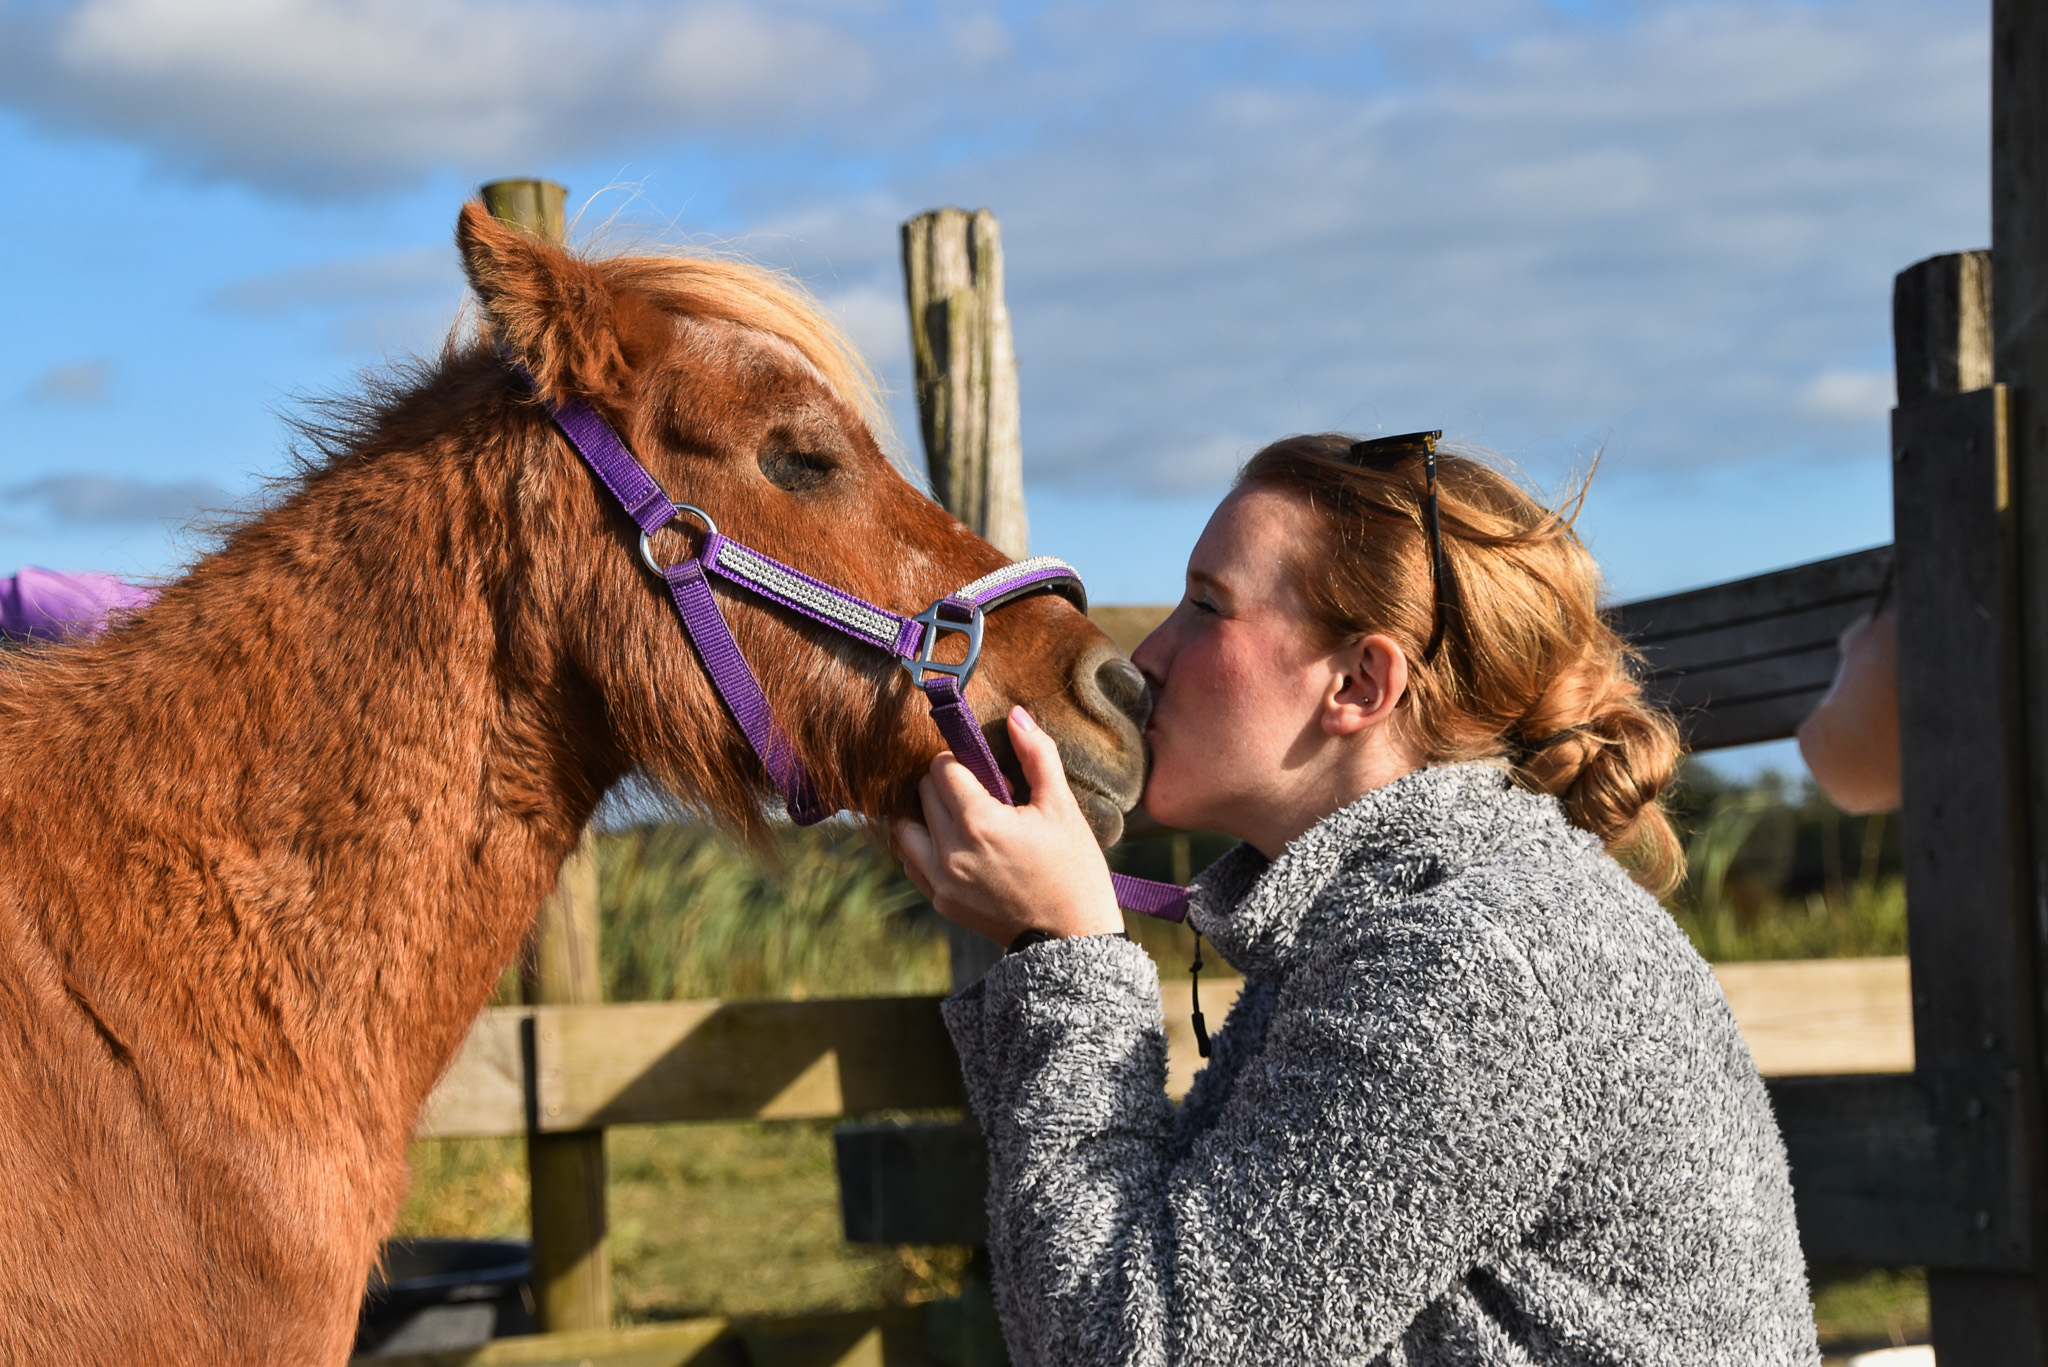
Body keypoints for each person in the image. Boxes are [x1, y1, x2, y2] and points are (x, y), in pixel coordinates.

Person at [895, 432, 1820, 1365]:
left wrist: (1062, 946)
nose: (1149, 656)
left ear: (1359, 682)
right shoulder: (1412, 920)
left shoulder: (1472, 962)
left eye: (1207, 605)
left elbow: (1134, 1347)